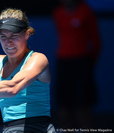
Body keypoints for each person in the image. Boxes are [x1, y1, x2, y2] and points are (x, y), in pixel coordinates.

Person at [53, 0, 101, 129]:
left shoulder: (86, 11)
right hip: (63, 63)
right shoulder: (57, 13)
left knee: (84, 108)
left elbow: (96, 41)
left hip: (82, 63)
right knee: (63, 108)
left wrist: (88, 64)